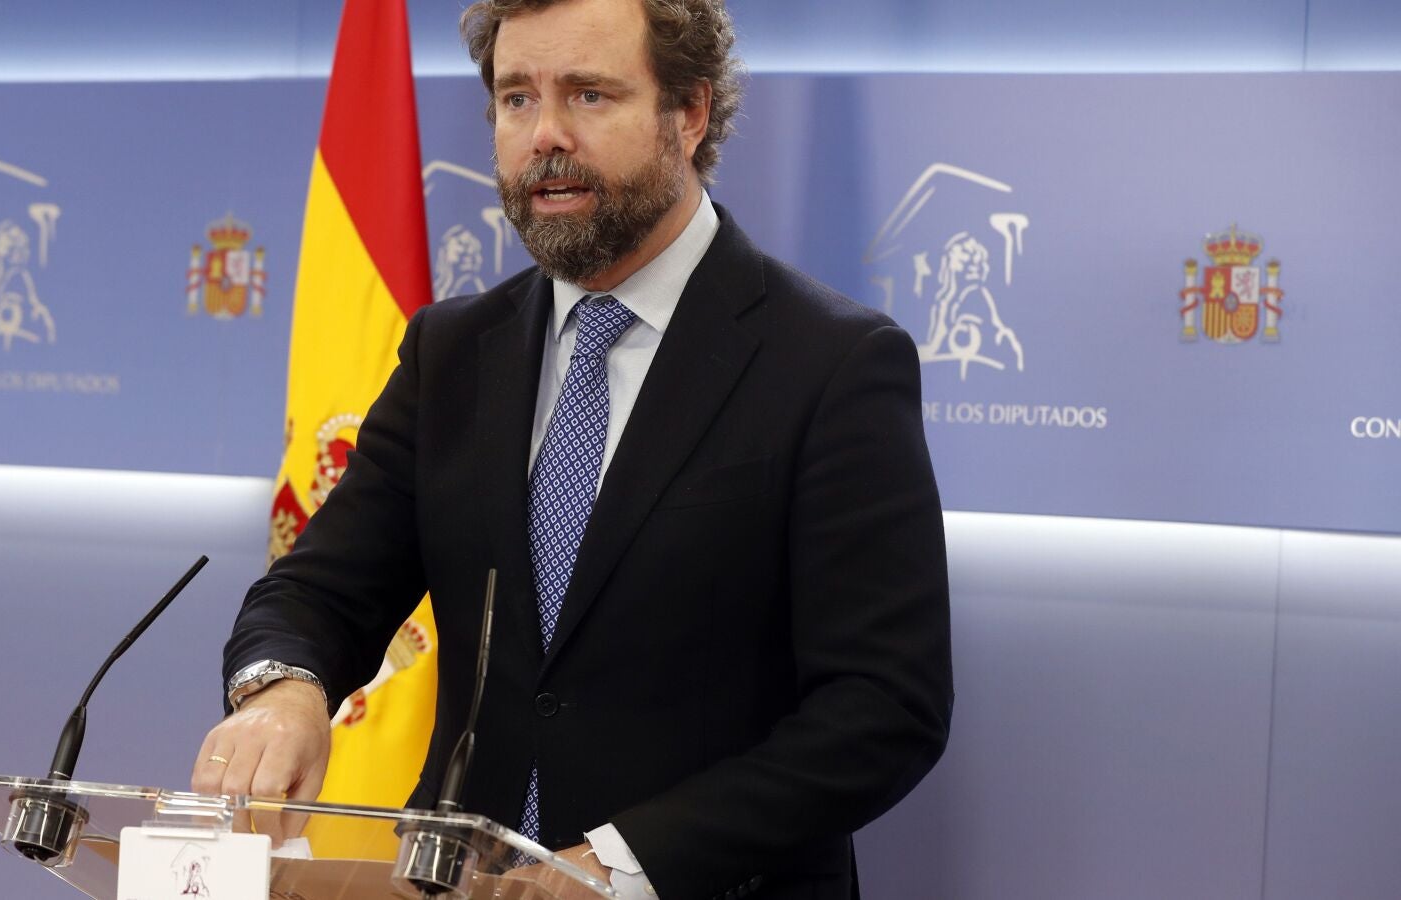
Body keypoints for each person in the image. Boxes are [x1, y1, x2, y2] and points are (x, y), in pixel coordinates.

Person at [192, 2, 952, 898]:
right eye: (517, 98)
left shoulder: (832, 363)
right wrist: (286, 689)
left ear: (690, 112)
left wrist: (623, 863)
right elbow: (321, 589)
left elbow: (882, 707)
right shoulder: (450, 352)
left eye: (589, 95)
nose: (545, 134)